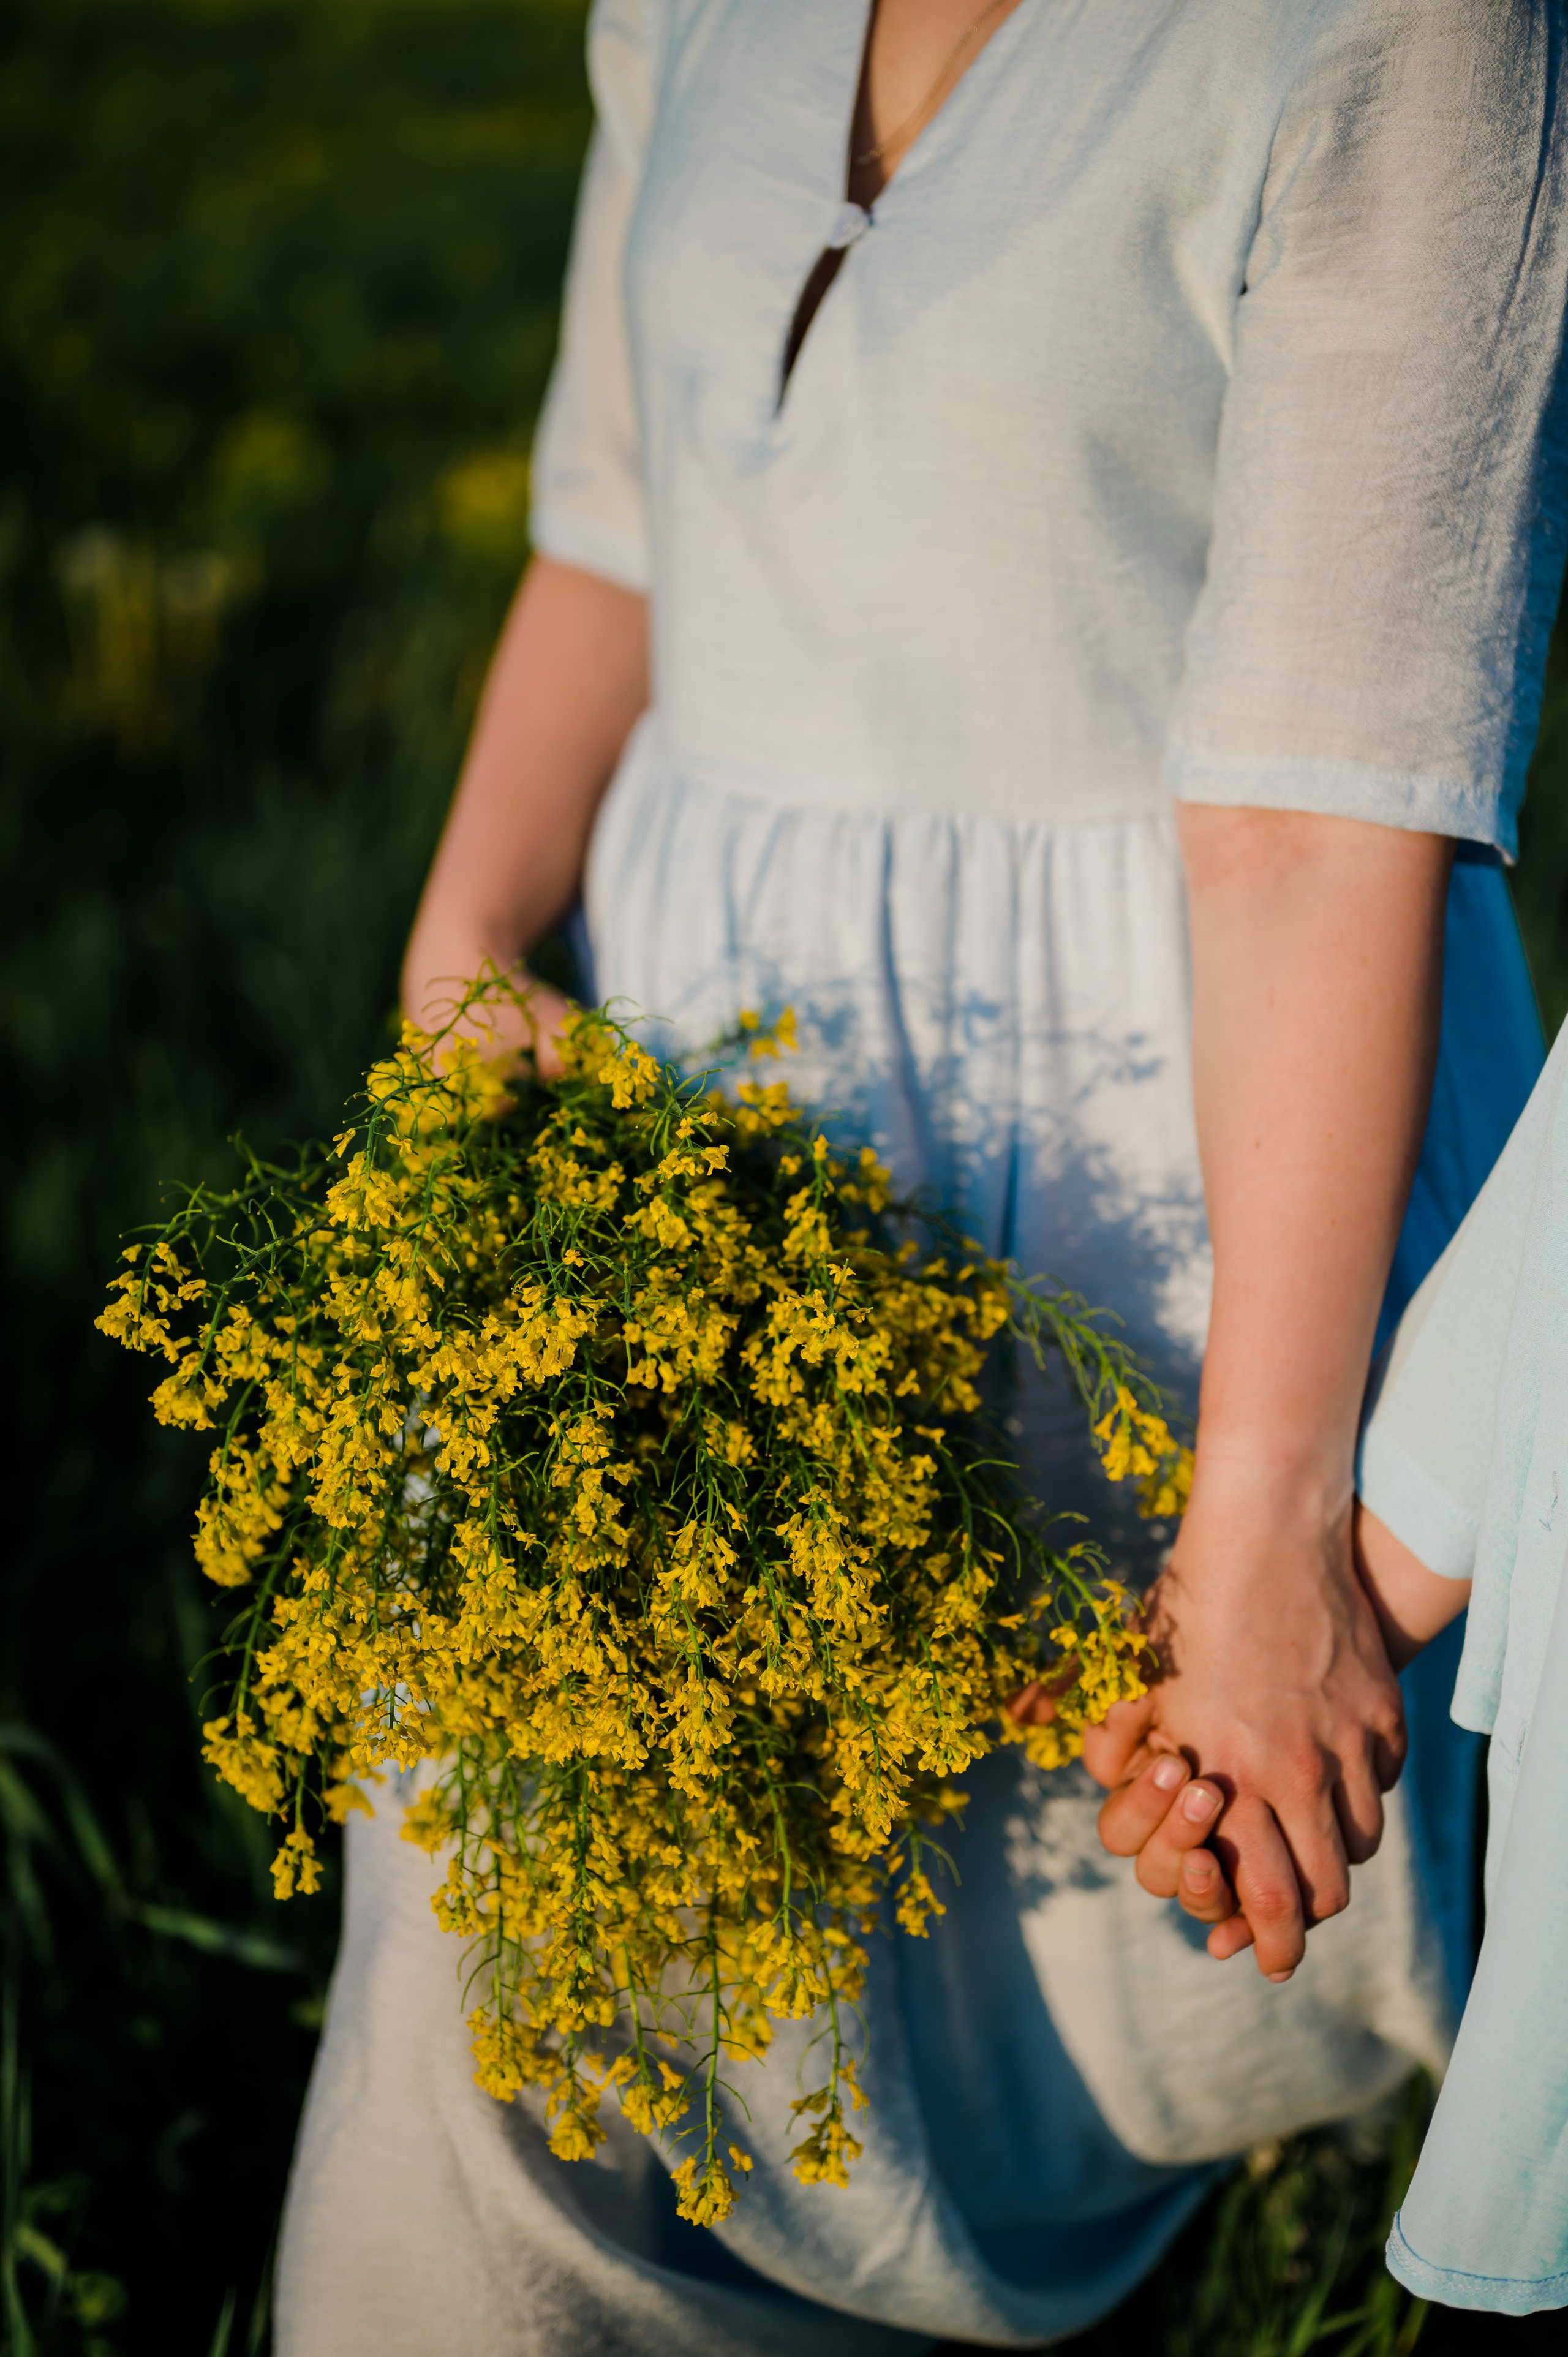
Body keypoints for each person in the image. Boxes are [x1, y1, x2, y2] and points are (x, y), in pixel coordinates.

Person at [274, 3, 1568, 2350]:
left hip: (1166, 1146)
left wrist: (1268, 1515)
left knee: (1093, 1927)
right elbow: (615, 524)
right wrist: (463, 942)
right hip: (692, 1121)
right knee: (486, 1902)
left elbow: (1318, 805)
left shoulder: (1408, 27)